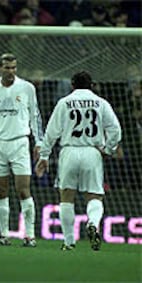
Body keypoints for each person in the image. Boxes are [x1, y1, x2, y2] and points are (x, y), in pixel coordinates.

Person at [35, 71, 122, 251]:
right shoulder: (102, 103)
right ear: (92, 85)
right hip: (92, 152)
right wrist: (108, 149)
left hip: (69, 151)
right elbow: (115, 129)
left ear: (72, 85)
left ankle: (68, 242)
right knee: (94, 196)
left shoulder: (64, 102)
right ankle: (92, 223)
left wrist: (44, 156)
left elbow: (51, 132)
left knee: (66, 197)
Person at [0, 53, 43, 247]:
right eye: (7, 67)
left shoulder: (27, 88)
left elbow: (35, 116)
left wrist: (39, 141)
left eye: (14, 67)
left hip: (20, 143)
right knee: (1, 191)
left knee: (23, 190)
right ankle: (4, 235)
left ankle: (29, 235)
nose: (11, 71)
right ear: (0, 68)